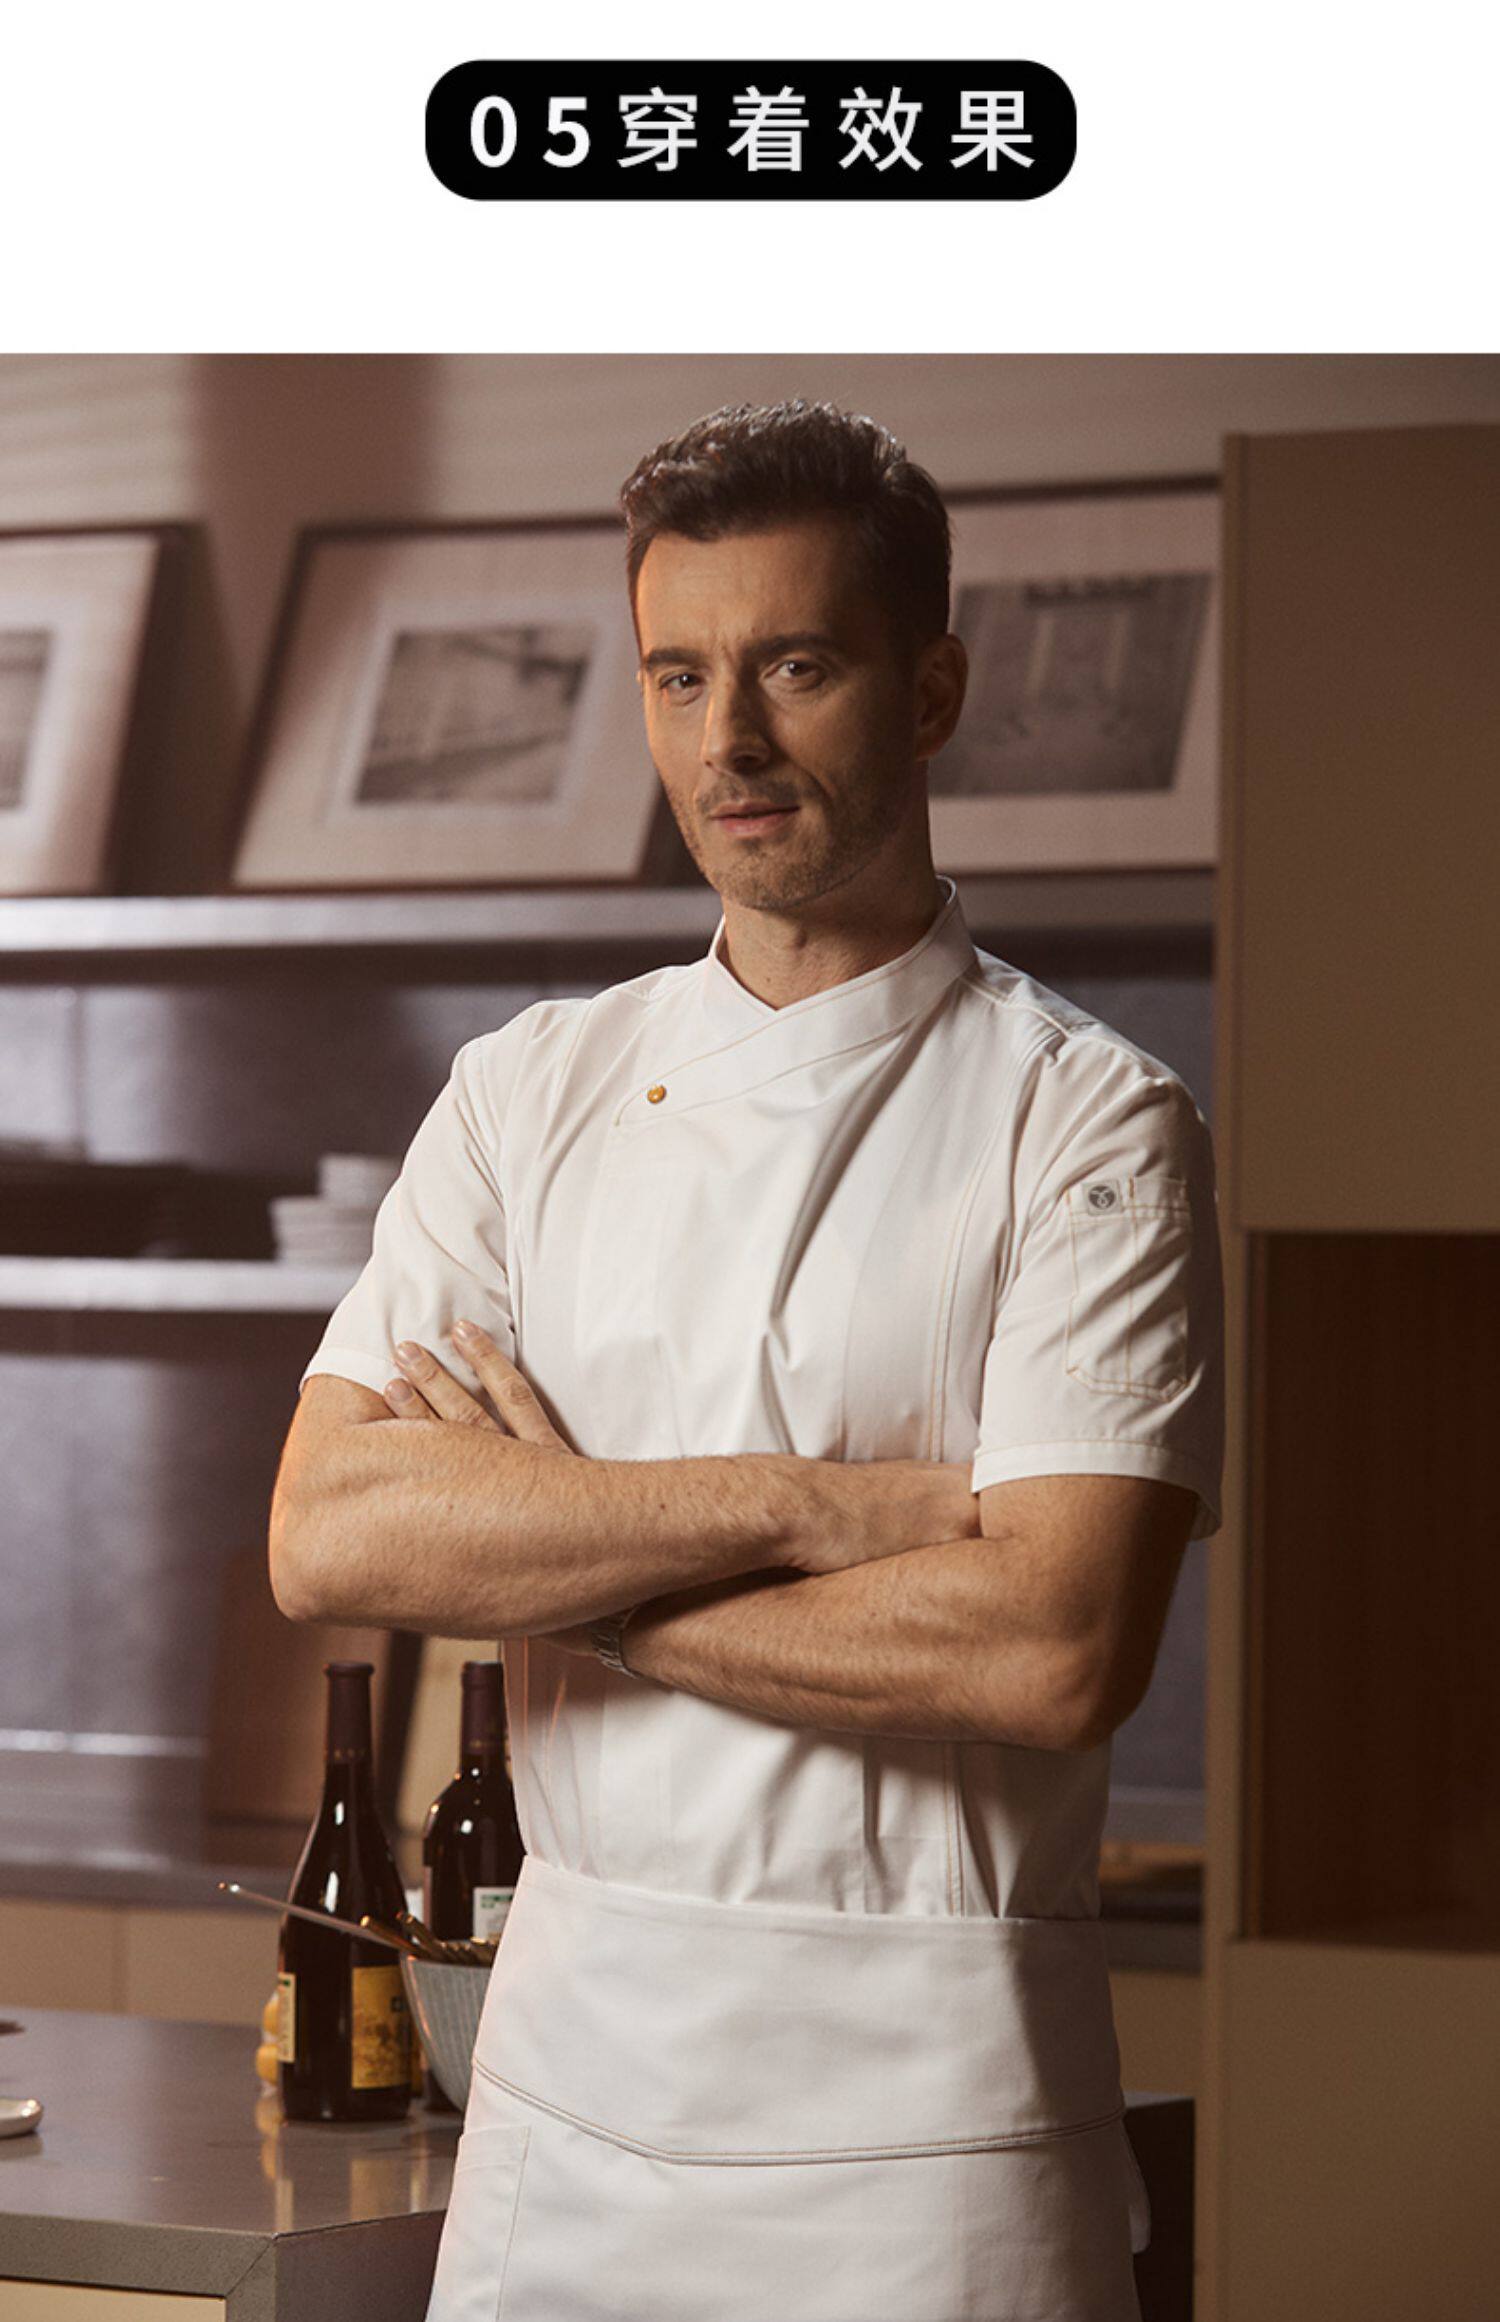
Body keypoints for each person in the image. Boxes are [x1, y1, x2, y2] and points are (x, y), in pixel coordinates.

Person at [270, 397, 1224, 2322]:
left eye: (795, 666)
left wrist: (571, 1564)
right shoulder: (525, 1091)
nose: (729, 743)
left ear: (933, 690)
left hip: (934, 2135)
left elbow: (1050, 1647)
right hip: (567, 2106)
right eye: (679, 675)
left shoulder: (1090, 1123)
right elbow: (331, 1533)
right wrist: (812, 1507)